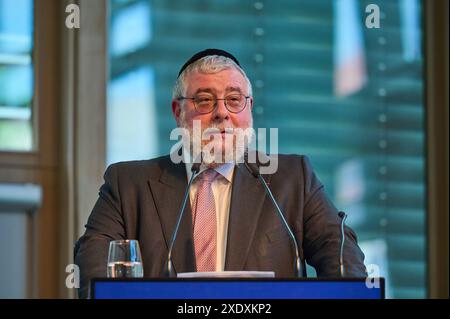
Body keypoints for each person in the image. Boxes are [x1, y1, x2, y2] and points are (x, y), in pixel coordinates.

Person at [74, 48, 366, 299]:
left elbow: (341, 255)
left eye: (234, 99)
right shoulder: (128, 184)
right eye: (204, 100)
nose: (221, 113)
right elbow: (93, 270)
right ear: (178, 112)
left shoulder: (292, 178)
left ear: (249, 109)